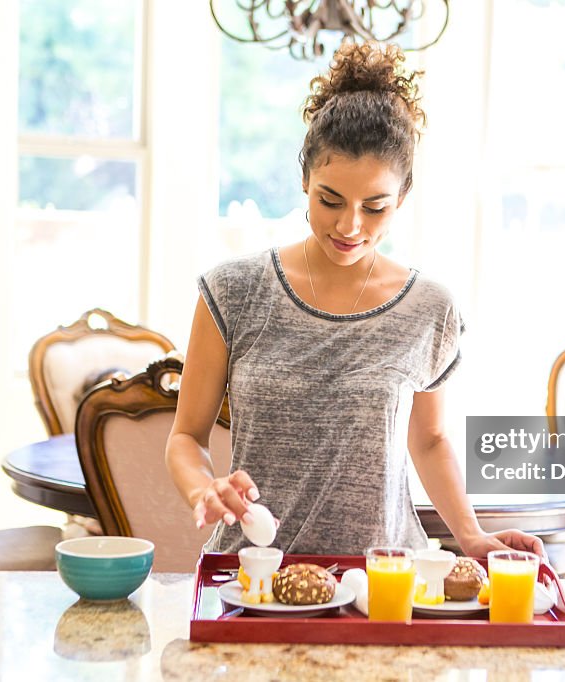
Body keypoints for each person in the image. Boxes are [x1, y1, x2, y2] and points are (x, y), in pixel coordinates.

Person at [166, 41, 543, 560]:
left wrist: (471, 535)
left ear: (403, 198)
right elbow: (186, 436)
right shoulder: (233, 291)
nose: (349, 226)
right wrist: (202, 488)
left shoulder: (430, 309)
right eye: (330, 200)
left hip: (385, 582)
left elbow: (429, 441)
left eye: (375, 207)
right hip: (254, 579)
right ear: (304, 181)